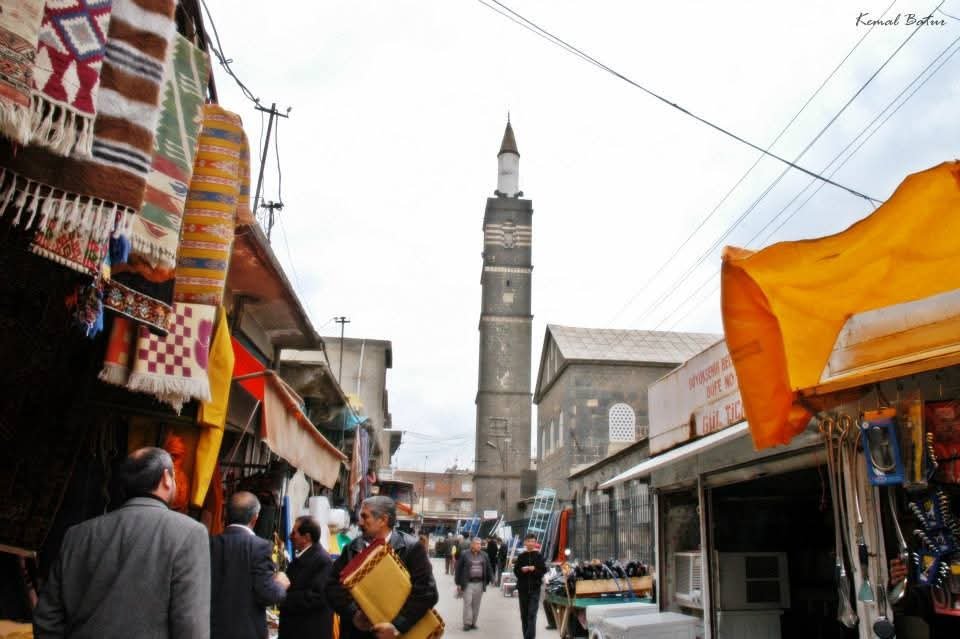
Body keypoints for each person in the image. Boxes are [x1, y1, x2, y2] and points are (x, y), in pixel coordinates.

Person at [33, 447, 210, 638]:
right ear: (166, 478)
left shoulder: (78, 535)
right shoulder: (190, 534)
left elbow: (47, 619)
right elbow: (191, 627)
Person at [327, 496, 439, 639]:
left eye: (365, 516)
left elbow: (427, 592)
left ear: (383, 520)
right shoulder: (351, 548)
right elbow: (332, 586)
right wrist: (354, 613)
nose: (360, 522)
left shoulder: (411, 549)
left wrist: (397, 626)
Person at [209, 491, 290, 639]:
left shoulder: (210, 543)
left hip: (213, 630)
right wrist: (280, 584)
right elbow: (267, 594)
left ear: (226, 514)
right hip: (247, 632)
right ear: (255, 518)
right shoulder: (260, 547)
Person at [278, 516, 334, 639]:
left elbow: (316, 596)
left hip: (308, 632)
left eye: (294, 533)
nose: (290, 536)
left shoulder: (323, 561)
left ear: (306, 537)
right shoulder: (302, 558)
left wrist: (283, 597)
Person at [454, 537, 494, 631]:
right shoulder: (464, 554)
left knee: (476, 604)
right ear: (472, 545)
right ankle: (467, 623)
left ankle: (473, 623)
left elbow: (489, 567)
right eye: (477, 544)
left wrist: (492, 578)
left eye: (480, 544)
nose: (479, 546)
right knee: (467, 603)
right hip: (467, 583)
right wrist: (458, 583)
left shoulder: (484, 555)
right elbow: (458, 569)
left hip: (479, 583)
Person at [513, 533, 547, 639]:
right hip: (523, 589)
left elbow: (543, 571)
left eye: (533, 541)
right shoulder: (521, 556)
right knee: (524, 615)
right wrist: (522, 570)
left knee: (532, 613)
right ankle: (526, 636)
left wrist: (534, 569)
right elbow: (516, 572)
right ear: (525, 542)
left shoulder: (539, 556)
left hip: (535, 589)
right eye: (529, 541)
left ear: (535, 543)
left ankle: (529, 637)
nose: (531, 543)